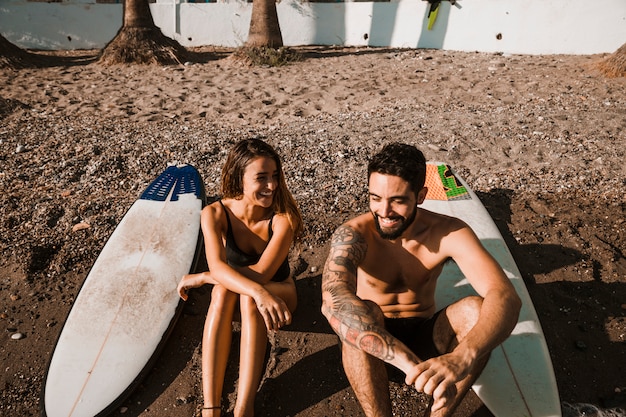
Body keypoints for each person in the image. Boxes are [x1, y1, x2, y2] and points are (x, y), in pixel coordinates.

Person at [321, 143, 521, 417]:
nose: (384, 211)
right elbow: (333, 302)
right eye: (375, 197)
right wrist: (410, 365)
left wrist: (462, 357)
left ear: (421, 195)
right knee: (357, 315)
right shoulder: (354, 235)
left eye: (398, 200)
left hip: (427, 336)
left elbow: (506, 296)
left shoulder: (448, 232)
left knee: (476, 310)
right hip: (373, 348)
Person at [177, 138, 303, 417]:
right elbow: (223, 270)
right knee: (225, 293)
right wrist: (235, 283)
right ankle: (211, 407)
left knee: (245, 296)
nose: (271, 186)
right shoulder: (214, 213)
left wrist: (204, 277)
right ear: (239, 179)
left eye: (274, 176)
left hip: (281, 292)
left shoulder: (282, 218)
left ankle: (244, 408)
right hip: (248, 296)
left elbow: (261, 275)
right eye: (261, 178)